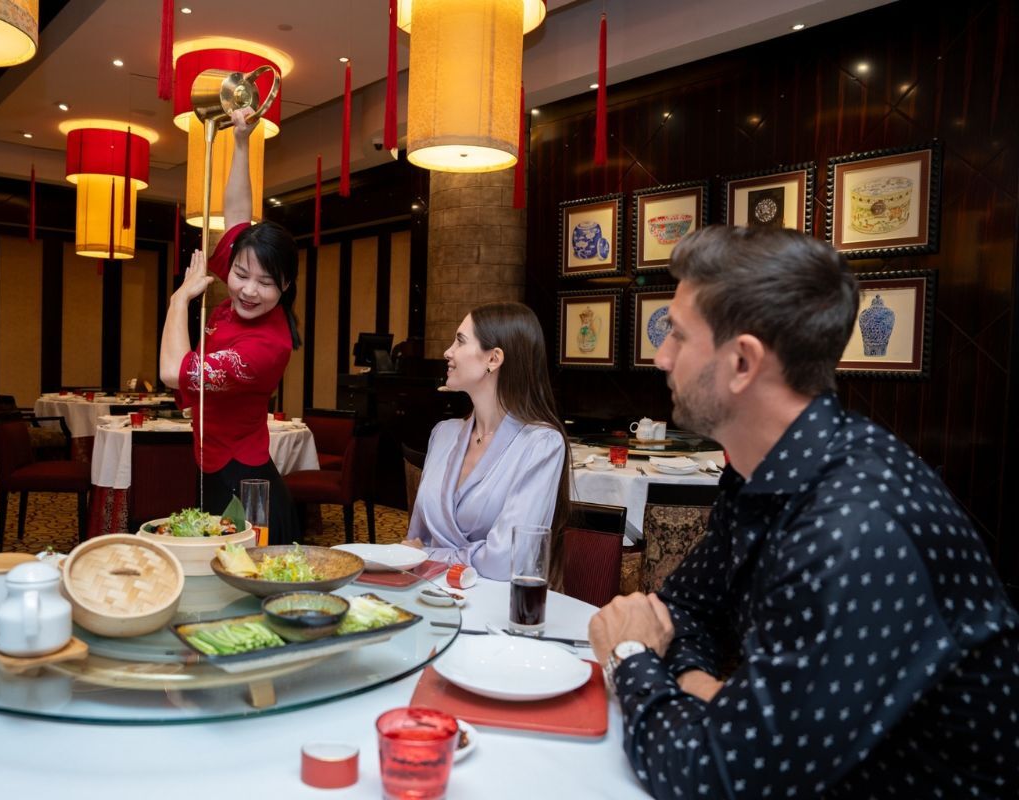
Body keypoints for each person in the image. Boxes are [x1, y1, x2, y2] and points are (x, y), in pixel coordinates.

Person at [588, 225, 1019, 798]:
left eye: (678, 336)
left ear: (743, 362)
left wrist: (630, 656)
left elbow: (711, 776)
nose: (661, 358)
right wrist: (695, 681)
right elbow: (687, 610)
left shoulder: (857, 527)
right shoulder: (763, 472)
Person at [158, 107, 302, 543]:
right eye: (240, 275)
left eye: (265, 282)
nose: (248, 291)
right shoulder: (239, 294)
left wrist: (179, 299)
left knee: (250, 579)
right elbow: (238, 214)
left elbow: (171, 372)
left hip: (245, 481)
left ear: (286, 285)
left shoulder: (267, 347)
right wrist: (240, 142)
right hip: (211, 463)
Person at [404, 302, 570, 581]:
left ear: (493, 359)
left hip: (495, 609)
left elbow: (506, 560)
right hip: (428, 598)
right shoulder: (443, 434)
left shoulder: (541, 444)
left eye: (460, 341)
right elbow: (414, 542)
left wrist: (431, 556)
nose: (448, 352)